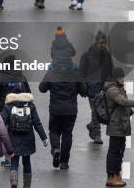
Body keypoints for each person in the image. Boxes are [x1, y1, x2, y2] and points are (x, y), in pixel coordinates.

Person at [39, 36, 87, 170]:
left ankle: (55, 149)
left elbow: (42, 88)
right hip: (71, 110)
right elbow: (83, 90)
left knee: (54, 130)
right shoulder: (75, 71)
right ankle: (64, 162)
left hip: (55, 109)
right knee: (67, 134)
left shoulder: (51, 72)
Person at [1, 84, 48, 188]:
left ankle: (14, 182)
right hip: (28, 138)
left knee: (14, 162)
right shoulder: (30, 105)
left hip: (13, 138)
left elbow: (1, 122)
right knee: (27, 161)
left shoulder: (8, 106)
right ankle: (27, 185)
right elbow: (37, 123)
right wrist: (44, 138)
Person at [104, 67, 134, 187]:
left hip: (121, 124)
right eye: (122, 78)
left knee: (120, 151)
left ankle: (117, 174)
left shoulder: (119, 88)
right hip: (115, 125)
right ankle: (111, 176)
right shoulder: (112, 90)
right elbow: (122, 101)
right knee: (114, 152)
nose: (123, 80)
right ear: (116, 78)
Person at [79, 31, 113, 144]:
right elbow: (81, 73)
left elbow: (111, 70)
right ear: (96, 42)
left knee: (102, 111)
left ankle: (91, 125)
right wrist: (83, 89)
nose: (103, 45)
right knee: (95, 111)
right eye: (101, 43)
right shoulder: (87, 55)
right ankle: (97, 135)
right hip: (92, 88)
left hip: (103, 87)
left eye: (105, 43)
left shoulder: (107, 55)